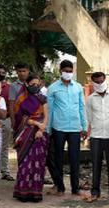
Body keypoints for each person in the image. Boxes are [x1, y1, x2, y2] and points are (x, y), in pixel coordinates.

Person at [47, 59, 87, 196]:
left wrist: (84, 126)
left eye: (70, 71)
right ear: (60, 71)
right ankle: (60, 186)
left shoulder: (78, 87)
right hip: (58, 127)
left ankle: (75, 188)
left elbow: (82, 107)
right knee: (58, 158)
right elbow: (50, 110)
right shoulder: (53, 88)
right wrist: (48, 129)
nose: (68, 74)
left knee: (74, 158)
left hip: (75, 128)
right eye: (66, 71)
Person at [13, 74, 49, 202]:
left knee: (38, 163)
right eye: (32, 84)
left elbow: (46, 116)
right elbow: (20, 118)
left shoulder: (42, 98)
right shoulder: (21, 99)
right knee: (25, 162)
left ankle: (36, 192)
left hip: (40, 135)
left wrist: (41, 129)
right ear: (27, 84)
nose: (35, 86)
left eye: (37, 84)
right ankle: (23, 192)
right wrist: (36, 124)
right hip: (26, 133)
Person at [86, 71, 109, 201]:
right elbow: (88, 117)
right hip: (96, 136)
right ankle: (95, 191)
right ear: (93, 83)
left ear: (105, 80)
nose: (100, 84)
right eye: (97, 82)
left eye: (101, 81)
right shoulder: (90, 99)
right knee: (96, 165)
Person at [0, 64, 15, 181]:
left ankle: (5, 171)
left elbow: (12, 105)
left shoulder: (9, 88)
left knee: (4, 146)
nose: (0, 74)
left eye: (2, 72)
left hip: (5, 119)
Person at [9, 62, 30, 127]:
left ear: (28, 71)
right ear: (17, 72)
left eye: (24, 71)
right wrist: (12, 120)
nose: (22, 73)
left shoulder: (32, 84)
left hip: (32, 116)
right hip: (18, 116)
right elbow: (11, 105)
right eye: (19, 71)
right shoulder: (13, 86)